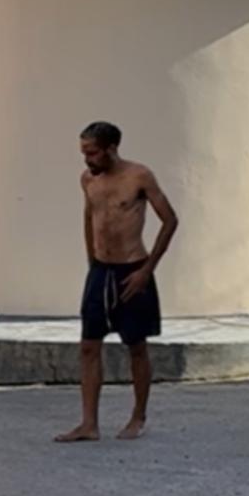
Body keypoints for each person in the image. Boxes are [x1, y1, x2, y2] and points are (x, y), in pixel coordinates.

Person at [56, 122, 178, 443]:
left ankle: (138, 416)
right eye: (84, 153)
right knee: (88, 346)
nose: (87, 159)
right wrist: (91, 262)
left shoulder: (139, 176)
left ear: (111, 149)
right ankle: (89, 424)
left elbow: (170, 220)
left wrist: (147, 270)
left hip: (133, 269)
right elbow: (89, 217)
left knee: (136, 346)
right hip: (101, 271)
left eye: (93, 152)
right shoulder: (88, 179)